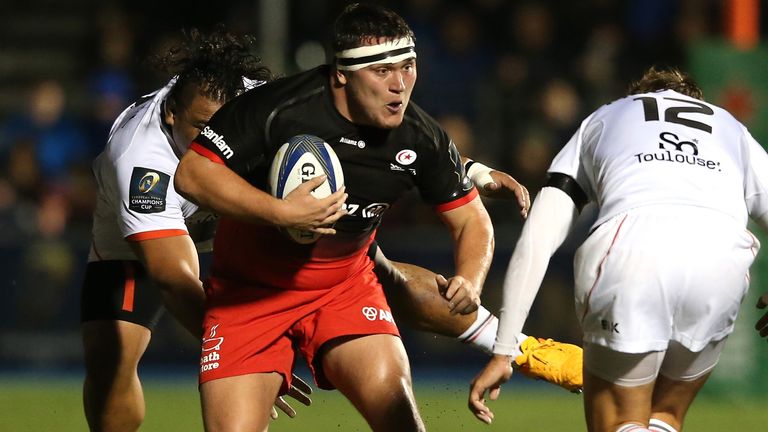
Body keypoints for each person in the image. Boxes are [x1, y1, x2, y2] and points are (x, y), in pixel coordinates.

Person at [174, 3, 579, 430]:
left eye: (407, 67)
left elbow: (472, 220)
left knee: (400, 421)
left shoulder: (420, 136)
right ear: (342, 74)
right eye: (382, 71)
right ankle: (518, 346)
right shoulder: (276, 109)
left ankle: (520, 347)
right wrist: (281, 212)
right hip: (249, 295)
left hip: (343, 289)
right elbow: (193, 174)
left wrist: (470, 278)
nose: (399, 85)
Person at [468, 66, 768, 432]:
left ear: (637, 96)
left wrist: (504, 348)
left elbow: (538, 239)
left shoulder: (605, 116)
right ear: (695, 102)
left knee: (619, 420)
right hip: (720, 255)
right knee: (666, 416)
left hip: (631, 248)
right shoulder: (731, 128)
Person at [80, 28, 313, 432]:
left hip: (236, 218)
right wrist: (244, 353)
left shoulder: (261, 103)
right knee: (109, 359)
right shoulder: (139, 162)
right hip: (135, 238)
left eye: (223, 129)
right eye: (201, 128)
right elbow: (175, 281)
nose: (215, 143)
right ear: (171, 112)